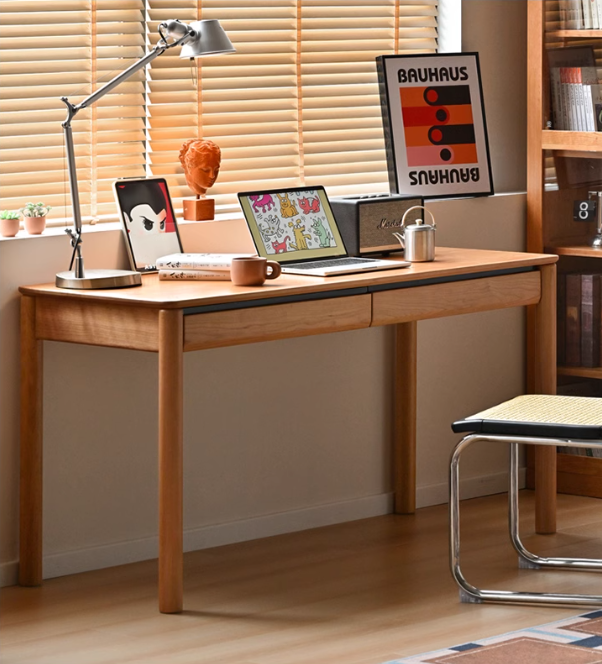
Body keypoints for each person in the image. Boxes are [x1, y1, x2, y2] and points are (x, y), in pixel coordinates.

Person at [115, 179, 180, 270]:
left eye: (162, 225)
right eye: (148, 224)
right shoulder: (134, 247)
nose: (158, 232)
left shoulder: (166, 246)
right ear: (127, 219)